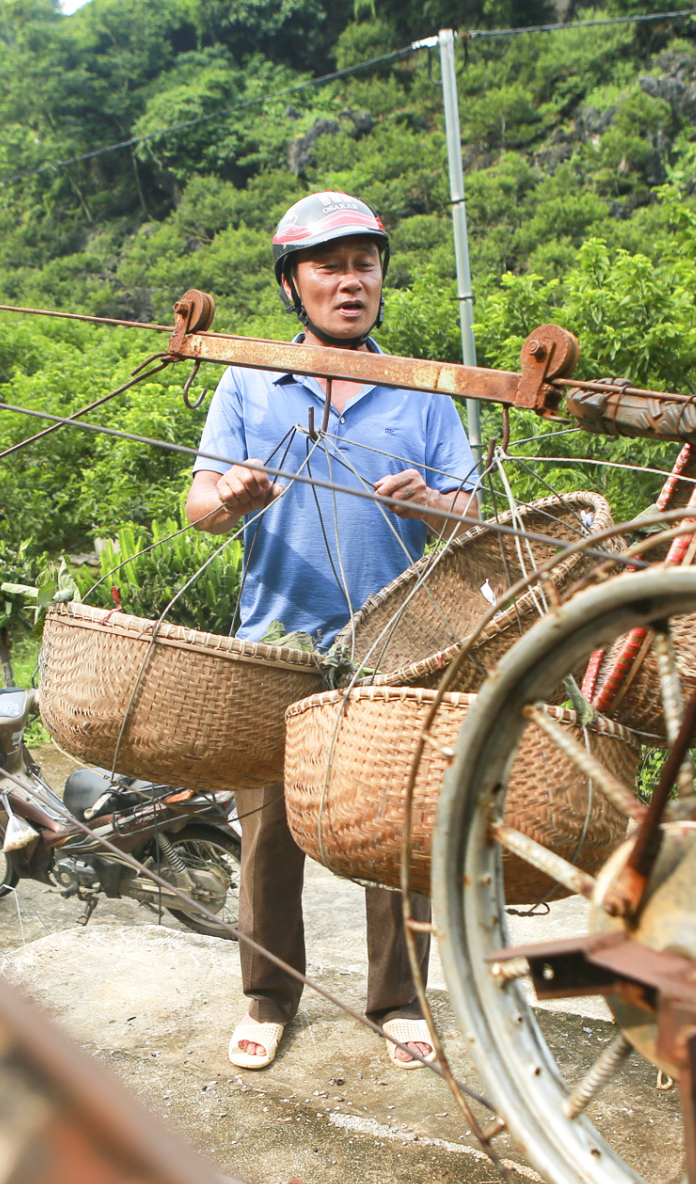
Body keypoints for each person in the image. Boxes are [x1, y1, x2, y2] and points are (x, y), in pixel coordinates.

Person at [183, 191, 480, 1072]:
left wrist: (433, 506)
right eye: (330, 267)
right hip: (277, 637)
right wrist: (231, 498)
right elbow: (199, 505)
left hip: (394, 641)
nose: (352, 283)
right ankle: (269, 994)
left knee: (397, 820)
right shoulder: (247, 378)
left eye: (366, 264)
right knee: (268, 830)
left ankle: (401, 1000)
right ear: (293, 284)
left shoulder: (423, 390)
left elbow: (473, 519)